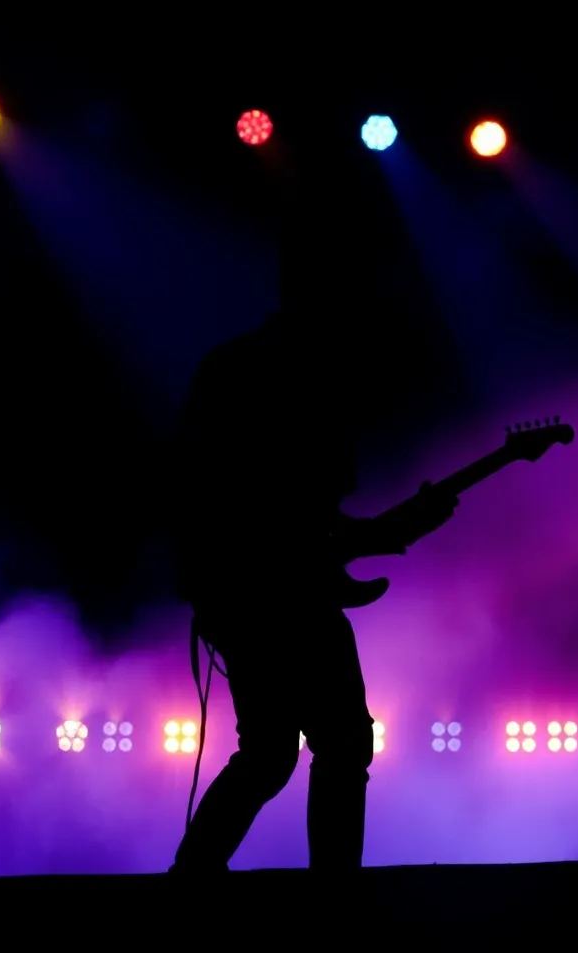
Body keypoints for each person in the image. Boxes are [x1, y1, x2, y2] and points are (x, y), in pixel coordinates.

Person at [166, 171, 457, 873]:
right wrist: (384, 532)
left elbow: (300, 516)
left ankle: (192, 880)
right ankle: (329, 891)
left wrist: (386, 531)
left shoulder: (238, 367)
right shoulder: (285, 378)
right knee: (334, 744)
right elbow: (277, 511)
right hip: (270, 594)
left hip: (242, 593)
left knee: (271, 753)